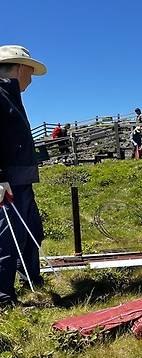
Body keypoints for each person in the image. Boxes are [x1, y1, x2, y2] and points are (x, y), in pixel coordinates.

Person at [0, 45, 47, 308]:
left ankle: (29, 275)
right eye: (30, 71)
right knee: (5, 239)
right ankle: (2, 296)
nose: (31, 78)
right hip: (7, 181)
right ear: (19, 68)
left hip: (21, 180)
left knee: (32, 231)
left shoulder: (10, 96)